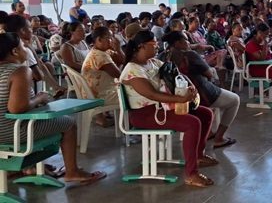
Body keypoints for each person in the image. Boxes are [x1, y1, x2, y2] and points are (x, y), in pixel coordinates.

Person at [0, 33, 106, 184]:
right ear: (15, 52)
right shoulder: (20, 71)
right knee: (68, 124)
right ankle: (72, 172)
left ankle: (30, 166)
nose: (26, 49)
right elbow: (17, 108)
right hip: (10, 131)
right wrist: (40, 98)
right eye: (23, 46)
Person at [120, 31, 217, 187]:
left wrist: (188, 86)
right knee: (192, 123)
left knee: (205, 114)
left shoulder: (153, 63)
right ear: (142, 47)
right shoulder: (132, 69)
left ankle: (198, 155)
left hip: (162, 109)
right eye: (153, 44)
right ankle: (191, 174)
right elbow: (151, 94)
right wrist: (180, 99)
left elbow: (176, 75)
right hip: (145, 114)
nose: (157, 47)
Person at [160, 31, 239, 148]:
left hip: (176, 97)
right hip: (200, 94)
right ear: (177, 43)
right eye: (185, 40)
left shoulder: (161, 57)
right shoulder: (189, 55)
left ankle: (209, 133)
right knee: (234, 100)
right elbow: (209, 74)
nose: (188, 42)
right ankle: (219, 138)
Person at [4, 15, 65, 96]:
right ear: (23, 30)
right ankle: (55, 88)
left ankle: (55, 87)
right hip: (27, 94)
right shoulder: (25, 50)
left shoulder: (7, 46)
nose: (32, 30)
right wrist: (31, 49)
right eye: (30, 27)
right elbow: (38, 76)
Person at [81, 27, 123, 126]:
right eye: (110, 37)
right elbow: (120, 76)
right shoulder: (100, 56)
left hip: (92, 93)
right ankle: (131, 122)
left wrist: (118, 49)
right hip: (98, 96)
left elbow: (122, 60)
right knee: (134, 93)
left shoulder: (101, 51)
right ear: (99, 39)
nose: (112, 40)